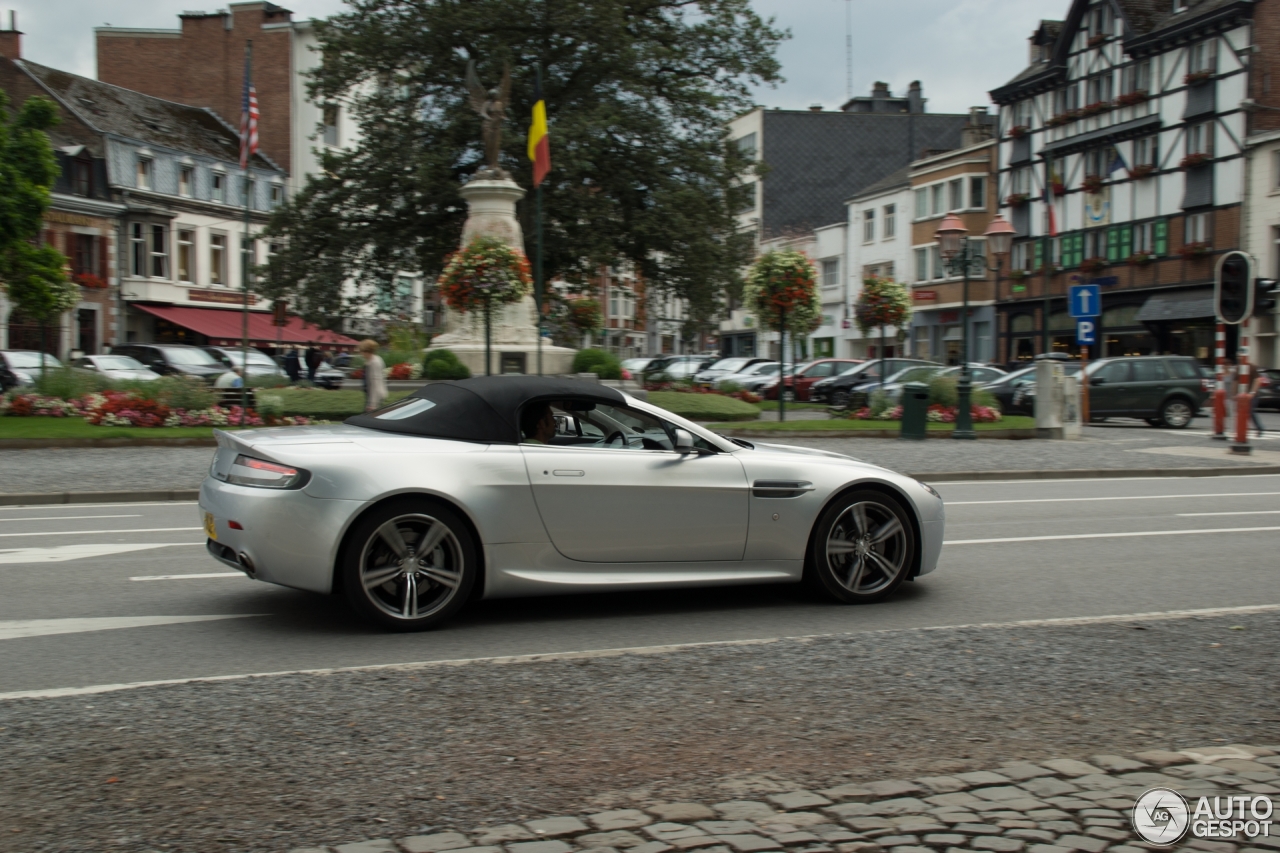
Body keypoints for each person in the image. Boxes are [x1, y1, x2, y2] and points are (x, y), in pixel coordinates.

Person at [359, 339, 387, 411]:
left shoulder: (374, 363)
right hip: (372, 394)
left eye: (362, 351)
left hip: (375, 396)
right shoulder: (373, 360)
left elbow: (375, 382)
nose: (361, 354)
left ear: (366, 351)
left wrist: (373, 404)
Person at [1250, 370, 1268, 437]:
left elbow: (1257, 381)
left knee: (1250, 411)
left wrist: (1253, 393)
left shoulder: (1252, 370)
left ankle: (1260, 428)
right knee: (1248, 412)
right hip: (1247, 394)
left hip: (1253, 395)